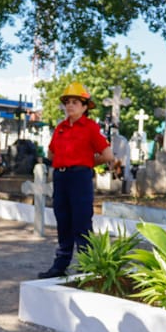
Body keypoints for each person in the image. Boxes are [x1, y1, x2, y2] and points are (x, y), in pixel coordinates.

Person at [38, 83, 113, 279]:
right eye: (67, 102)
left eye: (75, 102)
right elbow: (51, 152)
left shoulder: (90, 127)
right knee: (62, 220)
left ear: (85, 106)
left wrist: (86, 163)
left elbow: (107, 154)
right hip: (61, 176)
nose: (70, 106)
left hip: (80, 177)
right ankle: (60, 264)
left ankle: (87, 264)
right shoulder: (61, 128)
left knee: (81, 221)